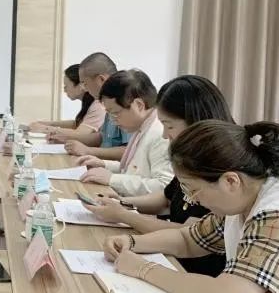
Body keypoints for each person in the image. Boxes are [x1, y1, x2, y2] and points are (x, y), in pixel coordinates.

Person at [103, 120, 279, 293]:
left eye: (193, 190)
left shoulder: (272, 215)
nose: (192, 200)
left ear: (230, 181)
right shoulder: (243, 199)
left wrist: (143, 269)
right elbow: (189, 239)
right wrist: (133, 241)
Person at [84, 75, 231, 276]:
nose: (164, 135)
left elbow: (189, 234)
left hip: (194, 270)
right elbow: (167, 198)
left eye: (169, 126)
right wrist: (123, 203)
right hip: (171, 258)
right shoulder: (192, 156)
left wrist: (123, 215)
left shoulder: (220, 167)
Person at [76, 69, 172, 196]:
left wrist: (112, 179)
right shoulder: (142, 126)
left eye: (116, 113)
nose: (113, 120)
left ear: (139, 105)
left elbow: (164, 187)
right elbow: (135, 170)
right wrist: (104, 164)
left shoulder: (160, 134)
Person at [63, 52, 132, 161]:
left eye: (85, 83)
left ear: (101, 80)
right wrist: (69, 140)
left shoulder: (125, 101)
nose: (84, 89)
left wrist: (88, 151)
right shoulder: (106, 101)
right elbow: (102, 136)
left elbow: (131, 151)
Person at [30, 64, 105, 141]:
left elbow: (80, 134)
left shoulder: (98, 106)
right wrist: (48, 124)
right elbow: (78, 124)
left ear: (81, 86)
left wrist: (45, 128)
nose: (64, 90)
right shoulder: (90, 103)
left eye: (66, 86)